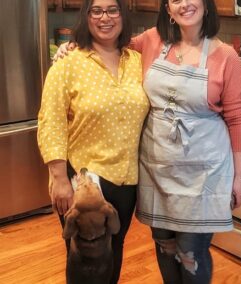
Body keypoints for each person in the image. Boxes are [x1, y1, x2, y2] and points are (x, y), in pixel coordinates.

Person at [55, 0, 241, 282]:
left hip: (202, 176)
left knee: (190, 252)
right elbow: (107, 44)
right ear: (167, 9)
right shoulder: (150, 41)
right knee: (165, 246)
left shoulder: (226, 57)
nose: (184, 4)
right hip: (156, 171)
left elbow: (238, 118)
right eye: (175, 0)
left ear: (207, 5)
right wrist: (73, 45)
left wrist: (240, 176)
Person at [37, 0, 149, 283]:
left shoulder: (136, 61)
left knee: (115, 250)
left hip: (126, 179)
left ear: (123, 15)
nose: (105, 18)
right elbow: (51, 121)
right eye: (96, 11)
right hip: (83, 179)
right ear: (86, 17)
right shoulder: (68, 63)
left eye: (112, 10)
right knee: (84, 258)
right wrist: (59, 178)